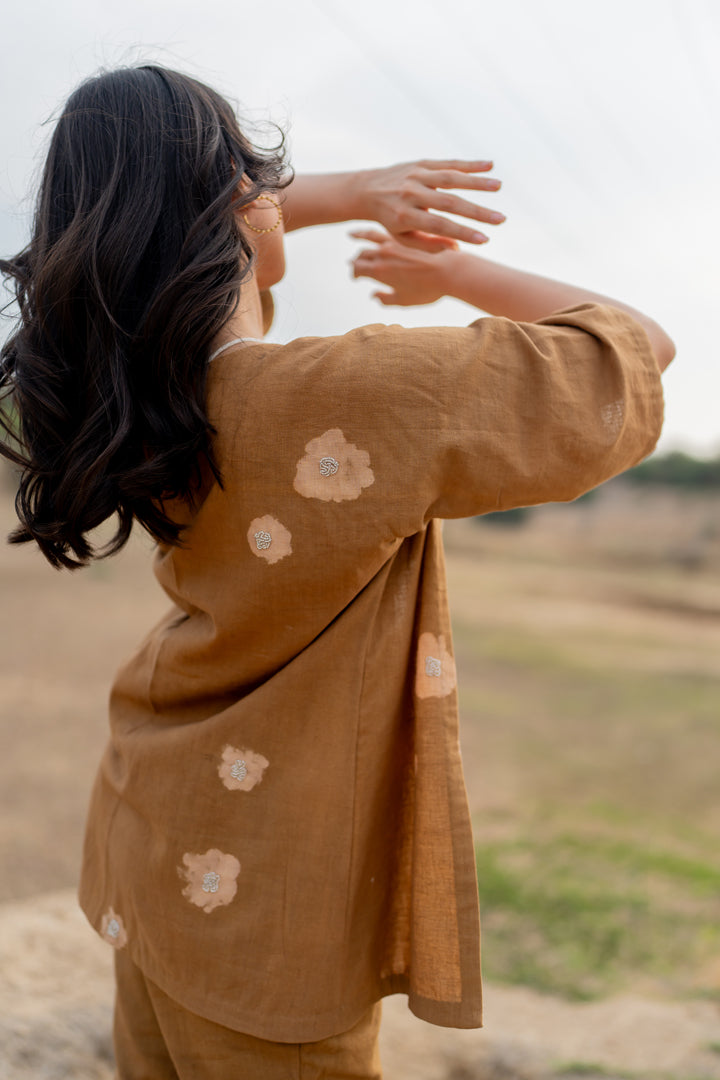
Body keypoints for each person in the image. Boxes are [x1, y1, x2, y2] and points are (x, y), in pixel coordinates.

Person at [0, 64, 673, 1080]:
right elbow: (631, 352)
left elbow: (165, 219)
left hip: (152, 842)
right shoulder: (351, 394)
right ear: (239, 200)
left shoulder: (146, 396)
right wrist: (452, 279)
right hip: (274, 916)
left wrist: (351, 194)